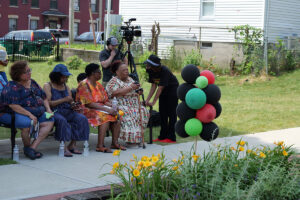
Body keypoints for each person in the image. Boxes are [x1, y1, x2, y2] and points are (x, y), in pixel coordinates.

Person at [0, 61, 54, 159]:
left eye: (30, 70)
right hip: (12, 113)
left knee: (49, 121)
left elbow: (44, 97)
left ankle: (31, 148)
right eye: (27, 71)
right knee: (27, 123)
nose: (30, 73)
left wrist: (48, 110)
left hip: (37, 112)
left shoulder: (33, 82)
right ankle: (27, 147)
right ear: (19, 75)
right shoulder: (12, 87)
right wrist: (30, 114)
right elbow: (14, 106)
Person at [76, 63, 126, 152]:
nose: (100, 74)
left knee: (117, 116)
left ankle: (115, 143)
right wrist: (107, 109)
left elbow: (105, 100)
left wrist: (113, 107)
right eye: (99, 72)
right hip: (86, 109)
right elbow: (88, 103)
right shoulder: (84, 85)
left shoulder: (99, 85)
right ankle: (100, 145)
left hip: (100, 108)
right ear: (92, 73)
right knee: (104, 116)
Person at [43, 64, 89, 157]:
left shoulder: (66, 86)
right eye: (63, 77)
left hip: (67, 110)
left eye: (66, 77)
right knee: (62, 121)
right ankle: (63, 147)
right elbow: (48, 102)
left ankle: (72, 144)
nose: (65, 79)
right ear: (56, 76)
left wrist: (74, 106)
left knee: (81, 118)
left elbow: (70, 101)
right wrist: (64, 100)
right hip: (54, 111)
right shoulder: (48, 85)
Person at [106, 61, 149, 146]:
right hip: (121, 104)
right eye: (123, 70)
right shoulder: (113, 81)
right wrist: (130, 88)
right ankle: (130, 139)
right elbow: (114, 93)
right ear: (117, 72)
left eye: (127, 69)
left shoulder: (130, 79)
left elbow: (135, 89)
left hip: (134, 103)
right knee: (128, 112)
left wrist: (139, 91)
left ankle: (137, 138)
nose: (126, 71)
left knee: (144, 111)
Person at [145, 55, 179, 143]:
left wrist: (154, 102)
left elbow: (160, 88)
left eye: (148, 65)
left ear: (154, 66)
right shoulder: (149, 70)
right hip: (163, 91)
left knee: (171, 114)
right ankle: (162, 136)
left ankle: (171, 137)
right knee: (162, 113)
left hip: (172, 90)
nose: (146, 66)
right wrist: (148, 100)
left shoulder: (165, 71)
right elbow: (153, 85)